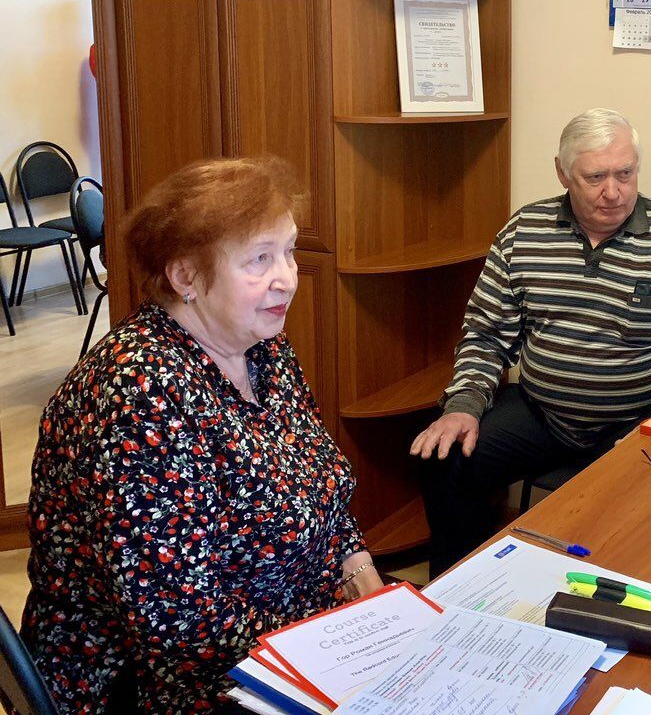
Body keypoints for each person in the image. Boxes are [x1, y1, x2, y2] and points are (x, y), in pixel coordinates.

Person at [22, 158, 383, 715]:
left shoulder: (260, 345)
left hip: (295, 636)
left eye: (288, 251)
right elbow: (178, 621)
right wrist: (329, 649)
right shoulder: (139, 393)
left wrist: (364, 581)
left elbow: (321, 488)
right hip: (163, 682)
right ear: (185, 276)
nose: (287, 277)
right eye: (260, 258)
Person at [413, 108, 651, 572]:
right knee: (446, 455)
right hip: (542, 414)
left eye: (625, 174)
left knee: (647, 505)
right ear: (563, 173)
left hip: (638, 418)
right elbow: (486, 334)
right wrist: (464, 404)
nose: (613, 192)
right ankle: (458, 587)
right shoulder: (524, 232)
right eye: (595, 177)